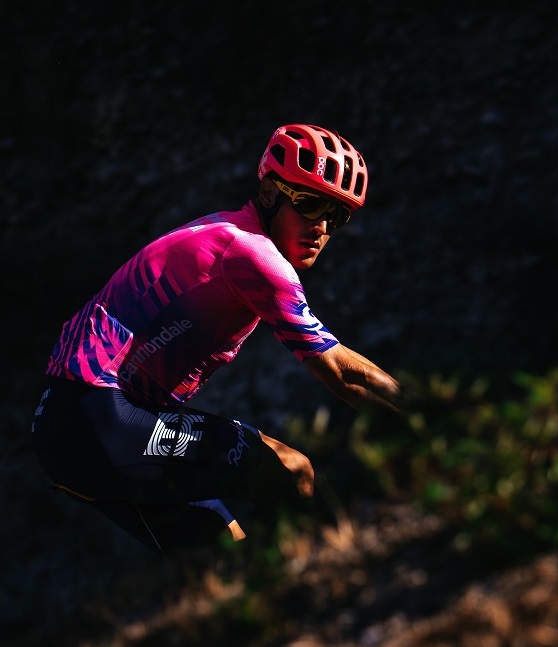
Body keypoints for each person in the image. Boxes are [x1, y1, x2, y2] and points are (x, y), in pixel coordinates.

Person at [31, 124, 407, 555]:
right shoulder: (253, 254)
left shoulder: (222, 230)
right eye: (309, 204)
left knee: (222, 551)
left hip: (61, 427)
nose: (321, 226)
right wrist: (426, 416)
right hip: (98, 415)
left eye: (336, 216)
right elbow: (341, 374)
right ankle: (329, 581)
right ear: (269, 193)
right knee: (291, 470)